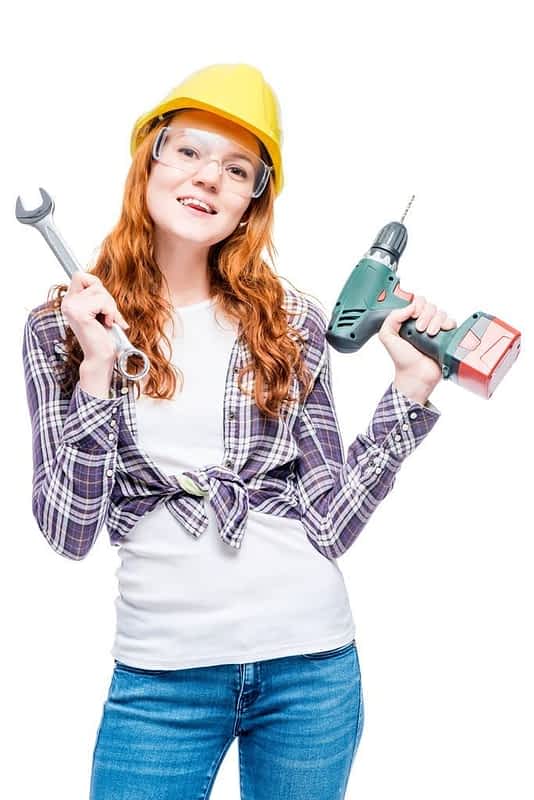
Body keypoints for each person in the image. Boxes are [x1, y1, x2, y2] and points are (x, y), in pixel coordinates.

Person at [22, 63, 456, 799]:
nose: (208, 178)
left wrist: (408, 395)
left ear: (253, 202)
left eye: (237, 168)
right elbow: (68, 532)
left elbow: (328, 520)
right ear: (148, 158)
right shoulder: (58, 326)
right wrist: (97, 369)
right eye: (188, 150)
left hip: (311, 669)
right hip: (160, 682)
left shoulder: (292, 321)